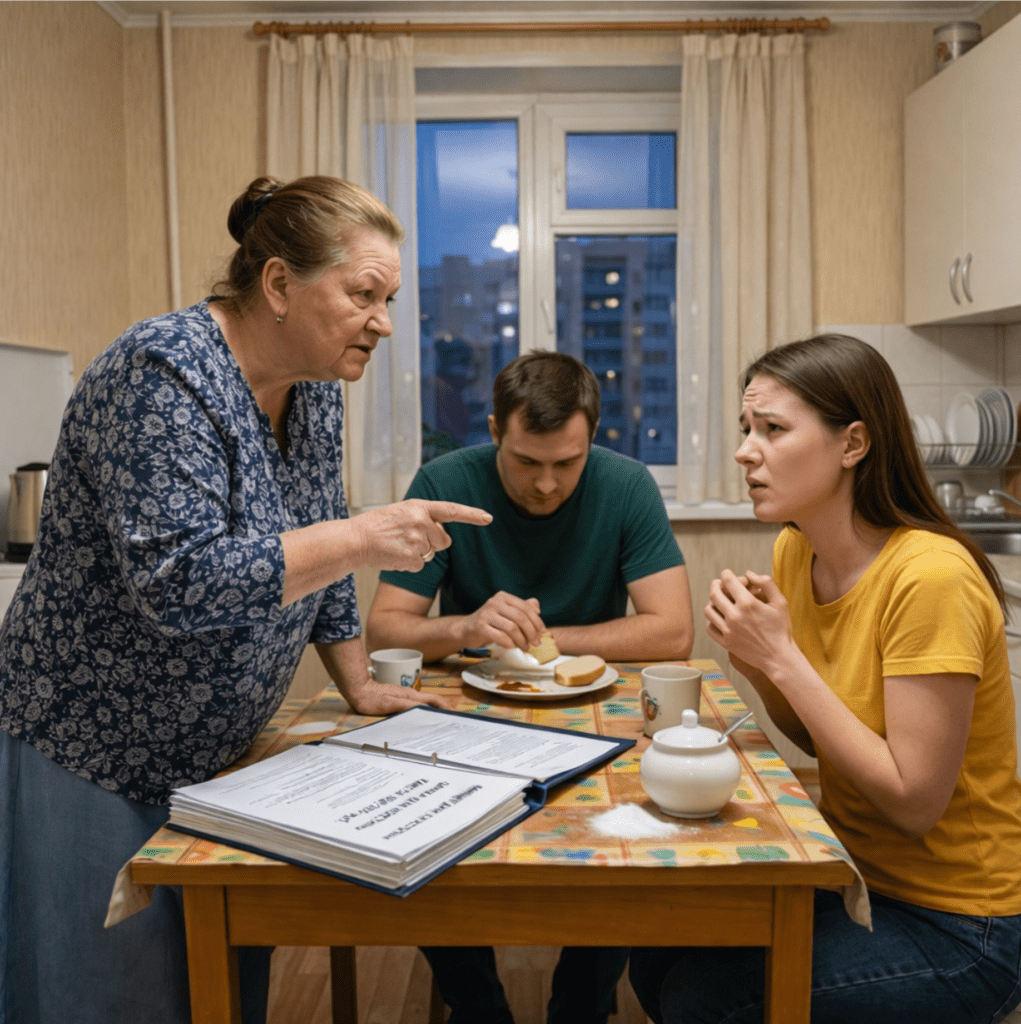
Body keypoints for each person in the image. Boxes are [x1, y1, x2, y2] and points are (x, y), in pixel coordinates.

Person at [0, 175, 492, 1024]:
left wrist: (357, 682)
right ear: (278, 284)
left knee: (218, 986)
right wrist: (363, 537)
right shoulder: (162, 370)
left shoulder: (315, 386)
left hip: (217, 748)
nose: (383, 322)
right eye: (363, 295)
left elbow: (320, 531)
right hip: (93, 746)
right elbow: (181, 583)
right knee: (114, 996)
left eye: (389, 300)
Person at [629, 334, 1021, 1024]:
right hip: (854, 874)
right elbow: (823, 744)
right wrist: (758, 667)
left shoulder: (930, 578)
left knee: (703, 1000)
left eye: (773, 429)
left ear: (853, 444)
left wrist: (783, 659)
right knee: (656, 955)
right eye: (746, 429)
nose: (745, 451)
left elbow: (912, 803)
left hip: (963, 923)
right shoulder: (796, 550)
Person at [367, 350, 695, 1024]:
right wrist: (464, 627)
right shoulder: (443, 483)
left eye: (566, 464)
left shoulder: (626, 485)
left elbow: (673, 631)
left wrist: (544, 639)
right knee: (422, 830)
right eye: (526, 462)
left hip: (596, 711)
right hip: (467, 713)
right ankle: (477, 1007)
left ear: (592, 439)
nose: (546, 485)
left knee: (631, 831)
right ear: (494, 430)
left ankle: (582, 1006)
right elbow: (384, 628)